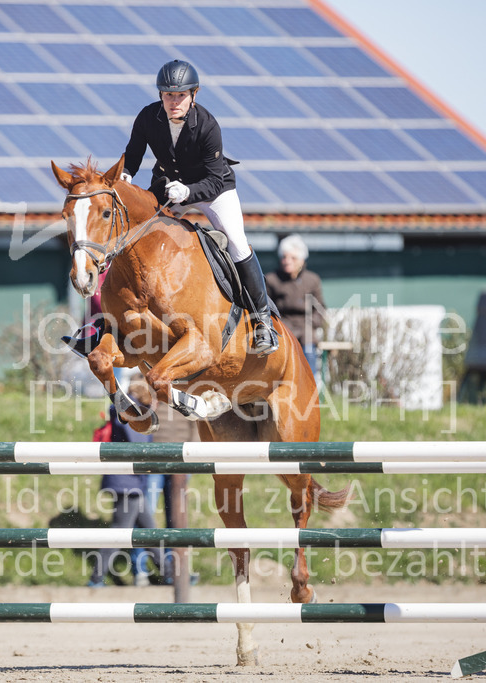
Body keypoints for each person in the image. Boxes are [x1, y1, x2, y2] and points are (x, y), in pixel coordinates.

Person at [120, 59, 279, 356]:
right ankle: (110, 320)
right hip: (171, 188)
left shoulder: (207, 125)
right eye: (168, 94)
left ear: (194, 94)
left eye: (180, 95)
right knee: (137, 233)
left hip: (213, 190)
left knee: (237, 242)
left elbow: (215, 180)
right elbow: (133, 153)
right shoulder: (147, 117)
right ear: (160, 95)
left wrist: (189, 192)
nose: (174, 101)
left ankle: (263, 321)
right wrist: (126, 174)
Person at [88, 385, 169, 587]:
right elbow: (141, 447)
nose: (158, 404)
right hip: (127, 483)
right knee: (120, 531)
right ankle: (96, 578)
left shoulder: (126, 412)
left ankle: (170, 573)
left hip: (130, 482)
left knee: (149, 531)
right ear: (146, 398)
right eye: (155, 400)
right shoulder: (135, 415)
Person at [265, 235, 325, 373]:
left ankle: (310, 381)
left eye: (293, 258)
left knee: (308, 367)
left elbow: (320, 309)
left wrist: (311, 324)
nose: (287, 261)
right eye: (284, 257)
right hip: (283, 329)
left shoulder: (312, 280)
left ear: (302, 260)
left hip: (306, 330)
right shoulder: (272, 280)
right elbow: (265, 308)